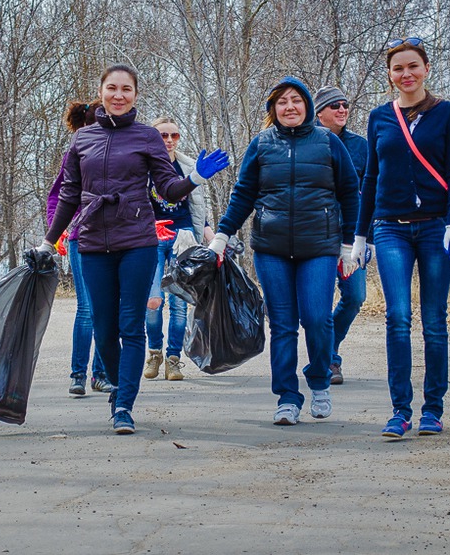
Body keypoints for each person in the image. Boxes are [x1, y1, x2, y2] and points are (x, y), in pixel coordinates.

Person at [39, 63, 229, 434]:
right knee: (105, 328)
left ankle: (123, 404)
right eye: (112, 88)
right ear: (102, 92)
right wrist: (50, 240)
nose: (119, 95)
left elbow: (168, 188)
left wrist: (194, 178)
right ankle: (115, 384)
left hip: (137, 243)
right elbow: (68, 195)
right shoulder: (82, 140)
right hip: (93, 243)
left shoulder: (147, 138)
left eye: (126, 89)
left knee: (131, 326)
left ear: (135, 95)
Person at [207, 77, 359, 426]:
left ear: (307, 106)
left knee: (318, 319)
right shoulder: (262, 144)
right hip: (271, 248)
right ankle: (288, 397)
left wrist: (349, 245)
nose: (289, 107)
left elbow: (351, 193)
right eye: (282, 102)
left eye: (296, 100)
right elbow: (243, 194)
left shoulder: (328, 142)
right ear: (273, 109)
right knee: (283, 325)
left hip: (319, 247)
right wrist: (222, 235)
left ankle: (319, 380)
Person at [351, 37, 450, 438]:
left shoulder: (448, 114)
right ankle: (400, 410)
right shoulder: (380, 117)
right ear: (390, 75)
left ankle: (432, 409)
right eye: (398, 68)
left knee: (434, 320)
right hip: (389, 229)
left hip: (437, 226)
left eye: (413, 66)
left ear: (426, 69)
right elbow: (371, 178)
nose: (406, 74)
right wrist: (360, 236)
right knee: (397, 317)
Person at [47, 100, 113, 396]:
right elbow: (57, 197)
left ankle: (101, 375)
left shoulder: (120, 153)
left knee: (106, 309)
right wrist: (56, 231)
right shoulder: (74, 154)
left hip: (115, 239)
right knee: (87, 309)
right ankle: (78, 375)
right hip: (80, 238)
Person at [143, 116, 213, 382]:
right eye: (163, 135)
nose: (169, 141)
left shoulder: (188, 166)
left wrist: (211, 235)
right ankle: (154, 353)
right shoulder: (143, 167)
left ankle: (173, 360)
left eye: (174, 135)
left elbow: (197, 209)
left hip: (182, 238)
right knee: (153, 301)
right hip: (151, 238)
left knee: (180, 304)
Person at [314, 86, 370, 385]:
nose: (342, 109)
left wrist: (368, 238)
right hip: (317, 235)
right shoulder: (308, 142)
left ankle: (329, 347)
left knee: (355, 296)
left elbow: (370, 193)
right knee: (319, 302)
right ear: (319, 112)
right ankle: (330, 362)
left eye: (345, 104)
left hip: (351, 237)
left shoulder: (361, 146)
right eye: (335, 105)